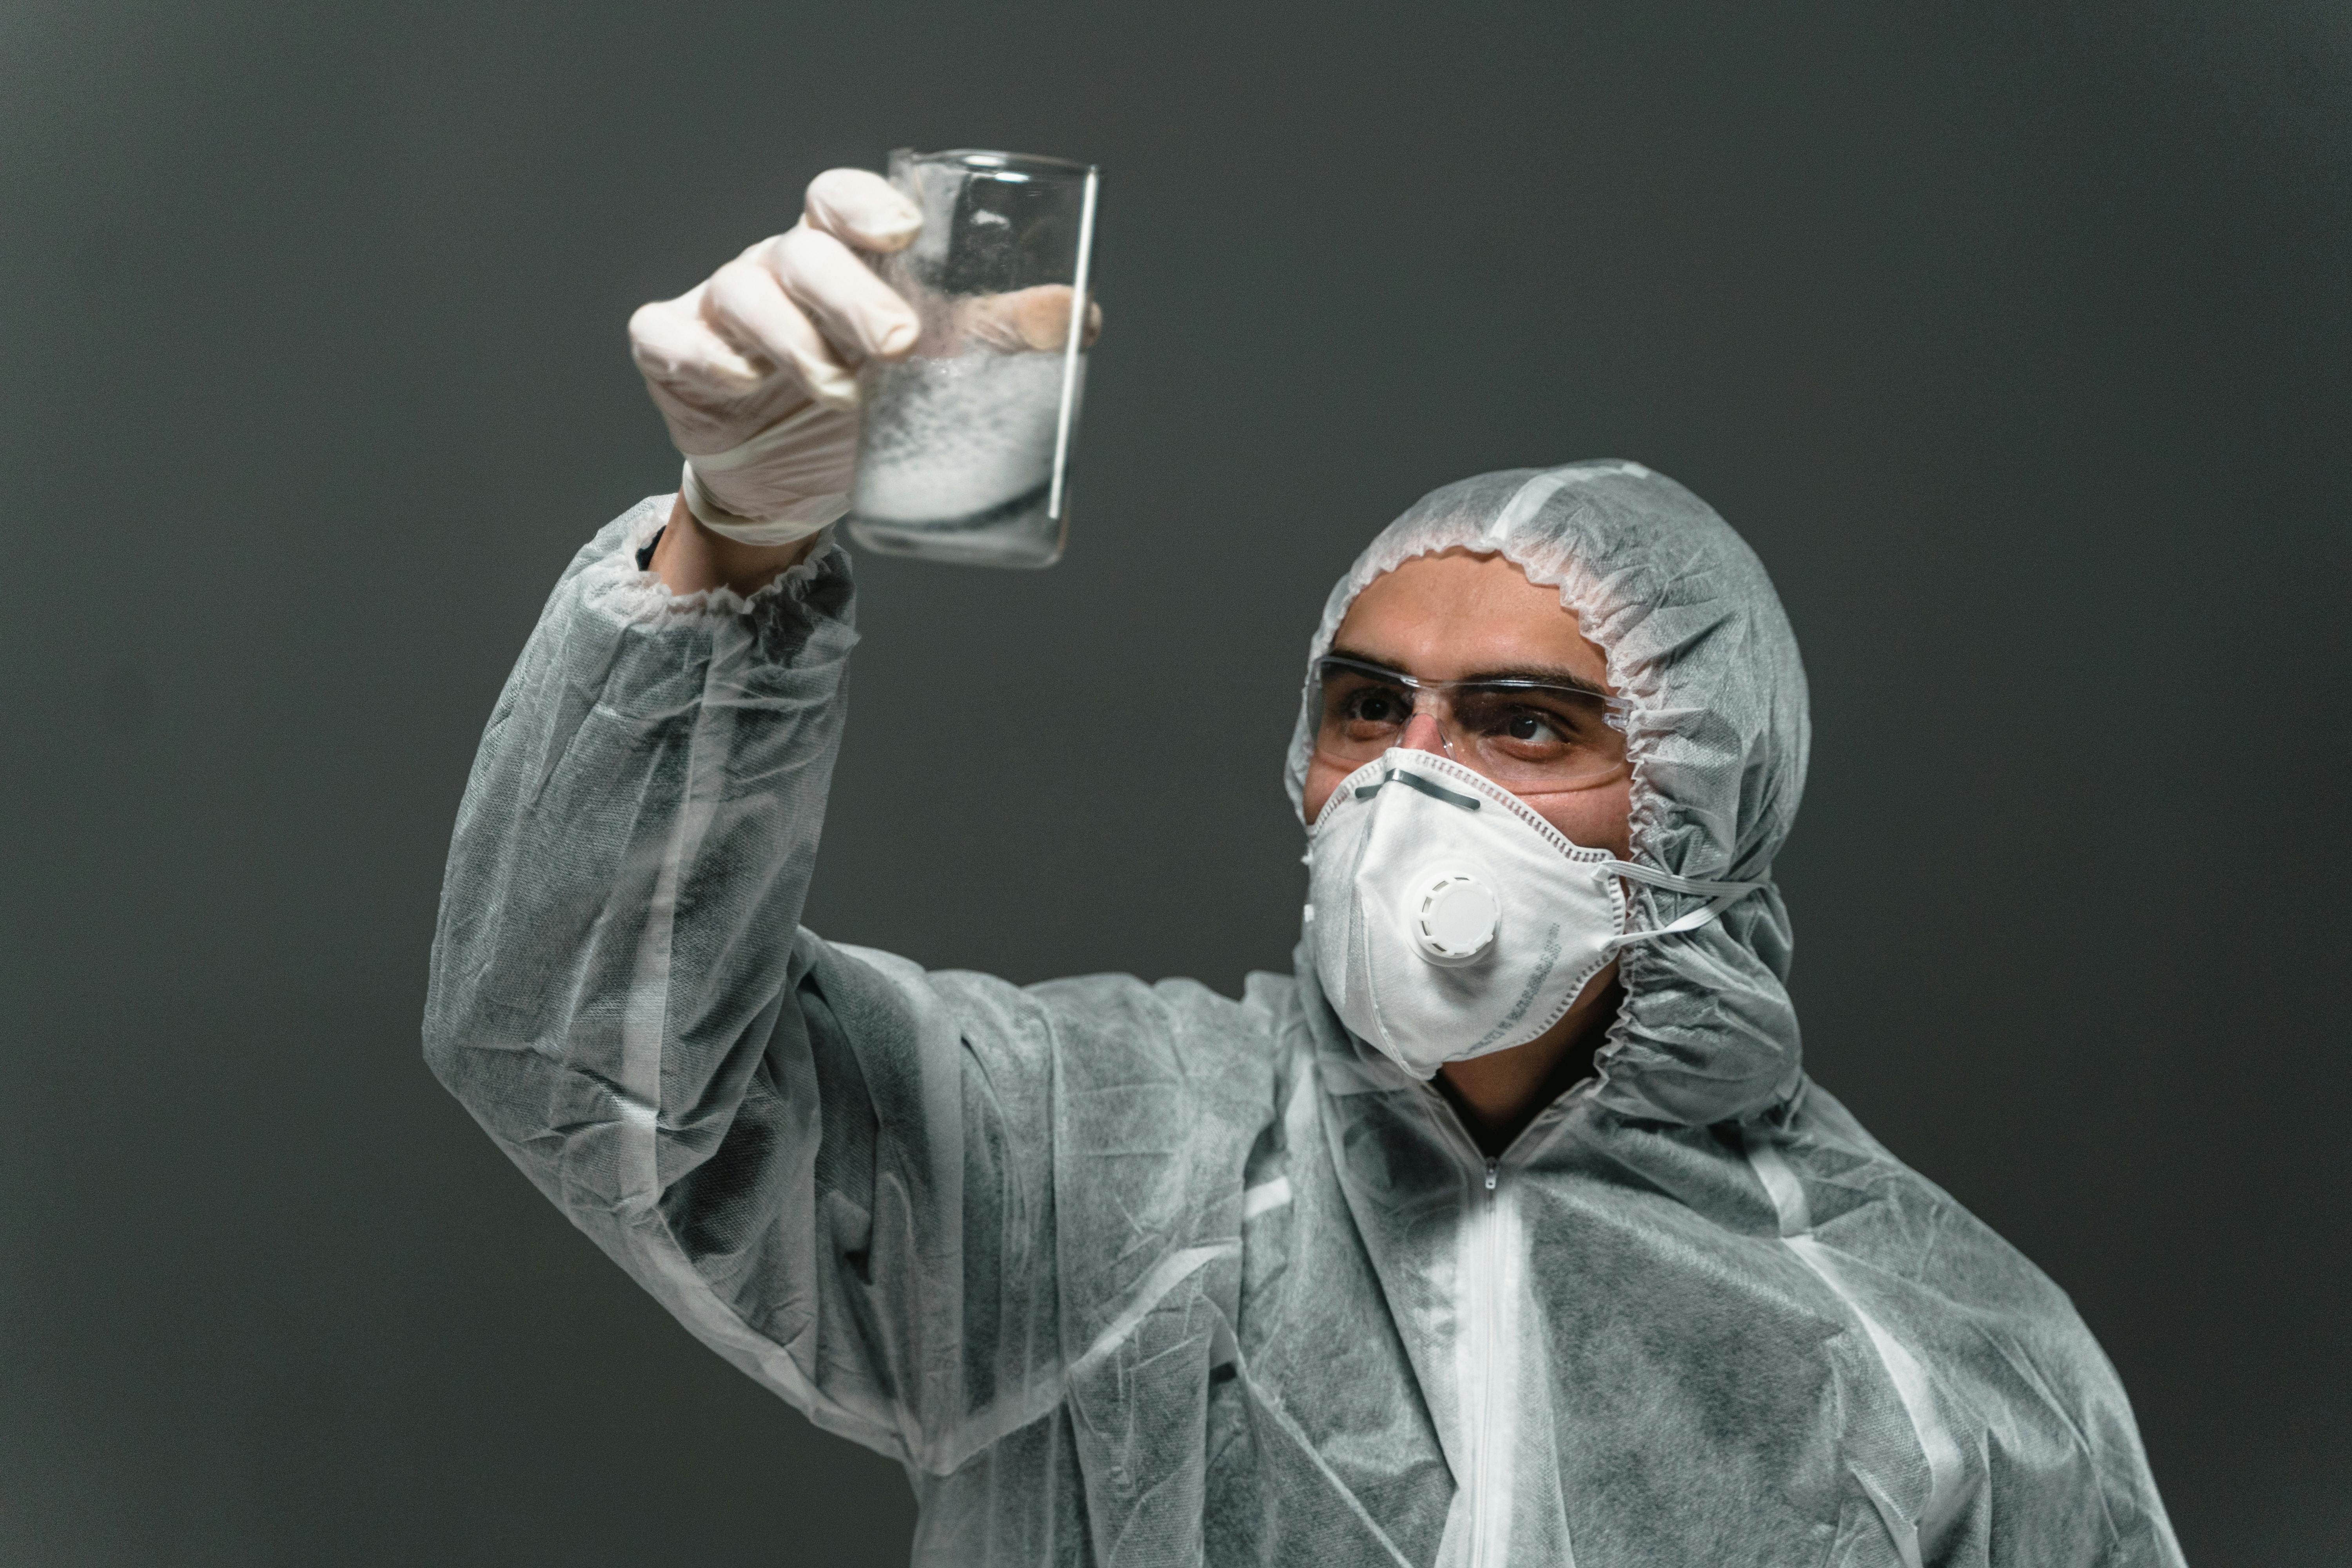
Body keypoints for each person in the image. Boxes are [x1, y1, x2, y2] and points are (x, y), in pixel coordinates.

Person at [424, 167, 2183, 1566]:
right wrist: (733, 540)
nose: (1411, 782)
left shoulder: (1948, 1370)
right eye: (1366, 707)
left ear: (1700, 819)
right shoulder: (1084, 1175)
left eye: (1522, 723)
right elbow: (600, 1069)